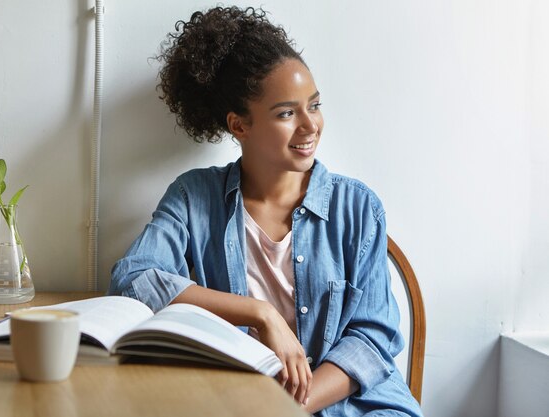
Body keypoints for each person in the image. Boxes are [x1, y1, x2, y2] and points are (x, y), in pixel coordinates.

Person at [108, 6, 423, 417]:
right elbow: (133, 280)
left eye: (314, 105)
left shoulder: (358, 208)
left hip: (358, 405)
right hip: (238, 403)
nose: (310, 126)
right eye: (287, 113)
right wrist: (260, 314)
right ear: (239, 126)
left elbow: (373, 338)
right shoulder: (194, 198)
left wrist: (285, 406)